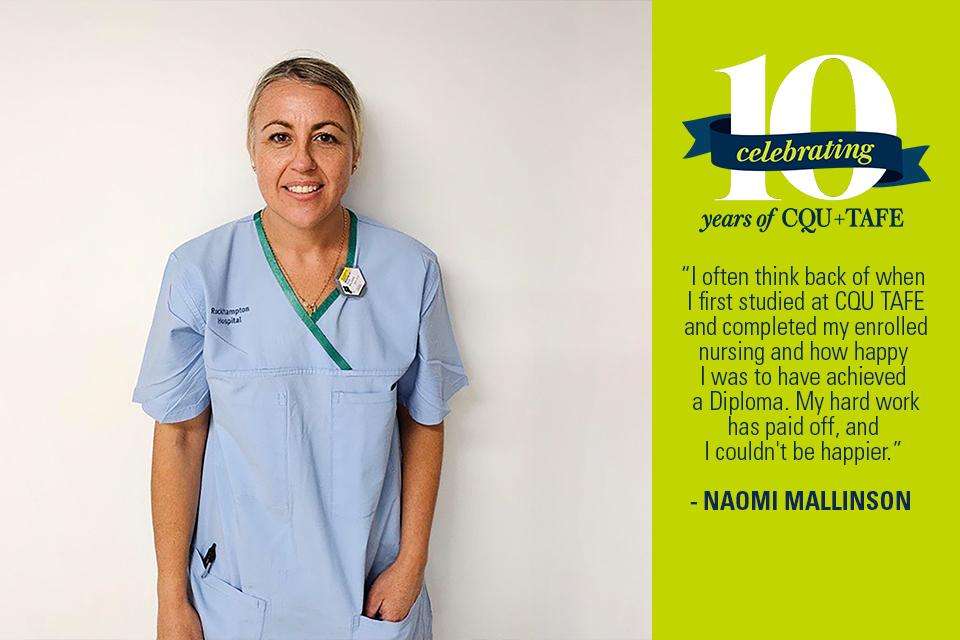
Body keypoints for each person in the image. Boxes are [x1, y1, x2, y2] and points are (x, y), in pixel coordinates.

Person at [131, 56, 469, 640]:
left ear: (355, 153)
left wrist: (411, 564)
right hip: (237, 598)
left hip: (367, 593)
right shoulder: (200, 271)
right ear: (253, 150)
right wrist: (170, 596)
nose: (302, 162)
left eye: (327, 138)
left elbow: (425, 421)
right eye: (280, 137)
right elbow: (180, 435)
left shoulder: (411, 270)